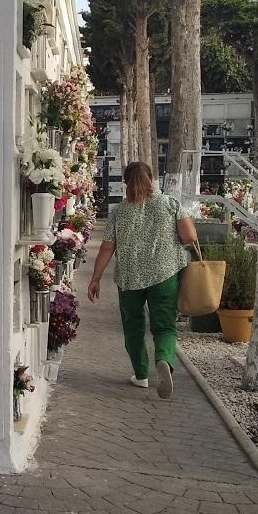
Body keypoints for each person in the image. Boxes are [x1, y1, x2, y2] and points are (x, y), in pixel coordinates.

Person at [86, 161, 198, 399]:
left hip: (129, 278)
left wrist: (95, 279)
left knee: (133, 326)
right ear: (151, 179)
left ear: (125, 183)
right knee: (164, 326)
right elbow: (189, 236)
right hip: (164, 275)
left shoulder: (118, 211)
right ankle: (164, 361)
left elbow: (107, 248)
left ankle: (141, 375)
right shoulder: (169, 204)